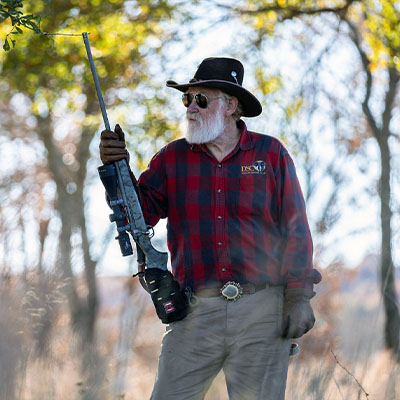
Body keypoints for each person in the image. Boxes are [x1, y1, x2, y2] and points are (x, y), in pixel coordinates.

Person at [100, 57, 321, 400]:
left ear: (232, 106)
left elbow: (296, 230)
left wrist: (298, 296)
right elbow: (137, 218)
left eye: (201, 100)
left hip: (262, 311)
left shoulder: (271, 154)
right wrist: (117, 170)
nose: (191, 108)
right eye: (187, 99)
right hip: (195, 311)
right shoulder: (171, 158)